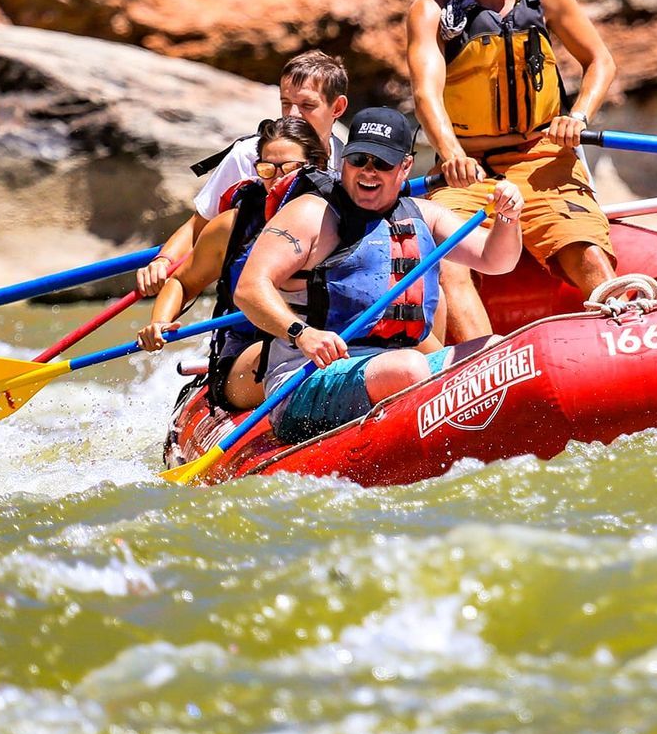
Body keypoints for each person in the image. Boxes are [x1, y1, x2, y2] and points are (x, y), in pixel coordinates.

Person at [218, 107, 524, 445]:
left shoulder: (426, 216)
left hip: (395, 368)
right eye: (358, 159)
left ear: (405, 167)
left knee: (499, 350)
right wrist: (302, 333)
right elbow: (249, 289)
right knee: (408, 368)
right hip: (305, 379)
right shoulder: (310, 214)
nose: (368, 172)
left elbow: (496, 260)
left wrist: (509, 219)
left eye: (381, 163)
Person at [406, 0, 617, 338]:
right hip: (468, 168)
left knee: (585, 251)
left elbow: (600, 61)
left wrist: (577, 116)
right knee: (449, 262)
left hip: (543, 158)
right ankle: (484, 369)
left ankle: (630, 335)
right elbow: (425, 92)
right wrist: (451, 154)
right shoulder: (432, 10)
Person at [136, 117, 334, 405]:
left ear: (316, 166)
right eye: (267, 169)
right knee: (292, 354)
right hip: (249, 351)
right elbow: (182, 281)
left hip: (326, 339)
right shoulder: (230, 227)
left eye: (289, 168)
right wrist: (159, 322)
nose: (277, 178)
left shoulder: (340, 218)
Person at [138, 51, 350, 298]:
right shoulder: (249, 155)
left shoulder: (346, 161)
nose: (292, 114)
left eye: (307, 105)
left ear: (338, 107)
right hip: (250, 295)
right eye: (285, 103)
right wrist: (163, 260)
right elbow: (199, 225)